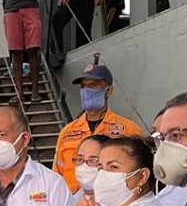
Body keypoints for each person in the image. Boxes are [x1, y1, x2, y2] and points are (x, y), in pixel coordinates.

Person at [54, 64, 142, 194]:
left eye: (93, 85)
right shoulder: (67, 132)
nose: (86, 91)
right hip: (75, 205)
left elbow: (137, 172)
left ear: (109, 91)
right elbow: (57, 174)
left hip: (113, 203)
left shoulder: (128, 130)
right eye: (83, 86)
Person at [0, 0, 50, 104]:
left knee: (34, 49)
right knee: (16, 52)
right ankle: (19, 92)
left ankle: (35, 92)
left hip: (30, 8)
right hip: (10, 11)